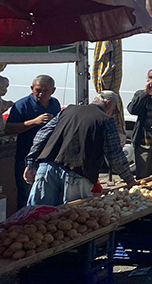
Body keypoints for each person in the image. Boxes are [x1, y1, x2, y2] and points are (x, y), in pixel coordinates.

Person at [25, 91, 135, 206]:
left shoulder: (68, 110)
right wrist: (130, 180)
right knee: (73, 218)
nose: (112, 113)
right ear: (108, 103)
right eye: (114, 110)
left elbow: (42, 135)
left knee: (36, 215)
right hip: (77, 174)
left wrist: (31, 163)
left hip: (48, 167)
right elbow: (115, 155)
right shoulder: (106, 121)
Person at [5, 75, 61, 209]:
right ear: (32, 89)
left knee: (50, 194)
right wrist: (34, 122)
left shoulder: (55, 104)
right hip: (26, 157)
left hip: (49, 157)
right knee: (26, 196)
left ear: (53, 91)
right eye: (38, 90)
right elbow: (9, 128)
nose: (41, 94)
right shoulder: (22, 105)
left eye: (45, 91)